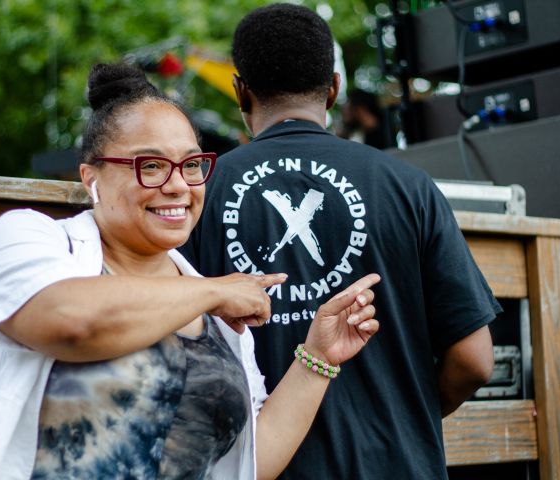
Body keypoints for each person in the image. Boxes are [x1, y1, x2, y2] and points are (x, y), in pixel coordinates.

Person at [0, 62, 380, 480]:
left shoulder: (214, 312)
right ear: (92, 178)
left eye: (191, 165)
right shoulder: (29, 238)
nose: (179, 186)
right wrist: (213, 293)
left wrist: (318, 358)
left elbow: (251, 460)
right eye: (152, 166)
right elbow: (69, 321)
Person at [179, 4, 501, 479]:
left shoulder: (197, 193)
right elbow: (474, 361)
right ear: (332, 88)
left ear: (239, 90)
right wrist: (408, 423)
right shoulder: (408, 186)